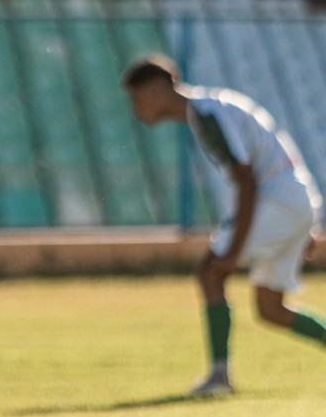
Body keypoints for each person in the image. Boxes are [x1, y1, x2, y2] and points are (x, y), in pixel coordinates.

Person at [120, 54, 325, 396]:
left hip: (277, 201)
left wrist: (231, 252)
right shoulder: (212, 107)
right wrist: (305, 219)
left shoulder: (208, 113)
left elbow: (247, 182)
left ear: (156, 90)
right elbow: (279, 153)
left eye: (137, 98)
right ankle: (219, 377)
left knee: (211, 271)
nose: (136, 109)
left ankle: (219, 378)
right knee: (271, 309)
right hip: (292, 200)